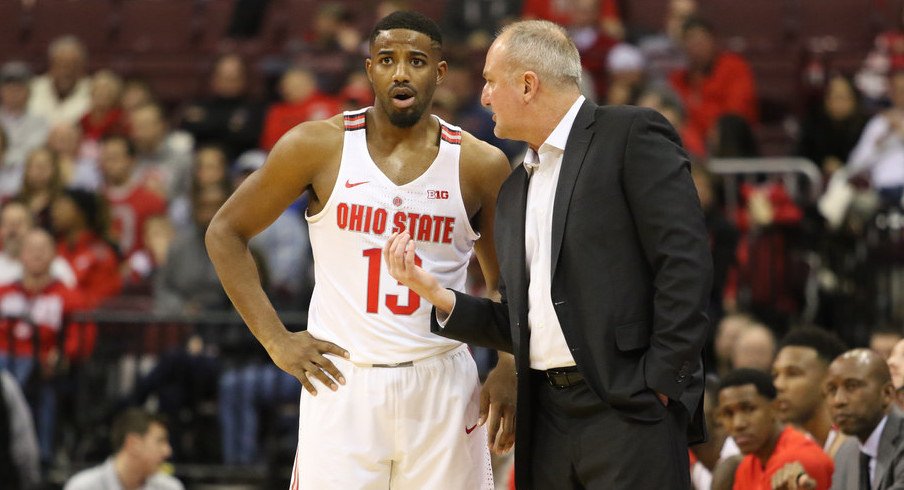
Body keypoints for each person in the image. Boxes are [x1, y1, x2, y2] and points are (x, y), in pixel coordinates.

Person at [384, 19, 712, 489]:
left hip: (626, 405)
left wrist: (662, 380)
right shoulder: (516, 187)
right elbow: (521, 322)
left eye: (491, 82)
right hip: (548, 418)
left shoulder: (629, 134)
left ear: (527, 84)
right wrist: (436, 293)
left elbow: (685, 262)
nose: (484, 97)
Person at [205, 11, 514, 489]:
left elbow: (506, 281)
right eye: (387, 60)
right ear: (370, 70)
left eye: (416, 60)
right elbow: (225, 232)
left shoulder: (480, 163)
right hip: (343, 380)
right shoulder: (316, 146)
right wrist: (275, 341)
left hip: (442, 383)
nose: (401, 72)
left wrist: (509, 365)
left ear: (440, 71)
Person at [717, 368, 834, 490]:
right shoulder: (747, 466)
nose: (738, 424)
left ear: (775, 407)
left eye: (748, 409)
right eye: (728, 414)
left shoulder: (797, 459)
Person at [825, 349, 904, 490]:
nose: (838, 400)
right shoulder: (845, 452)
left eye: (852, 386)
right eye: (832, 390)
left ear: (887, 394)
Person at [772, 327, 850, 458]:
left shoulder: (854, 446)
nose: (778, 385)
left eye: (792, 374)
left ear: (829, 382)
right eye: (775, 375)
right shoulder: (790, 444)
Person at [64, 407, 183, 490]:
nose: (167, 451)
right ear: (133, 444)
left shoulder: (170, 487)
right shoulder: (83, 487)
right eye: (160, 441)